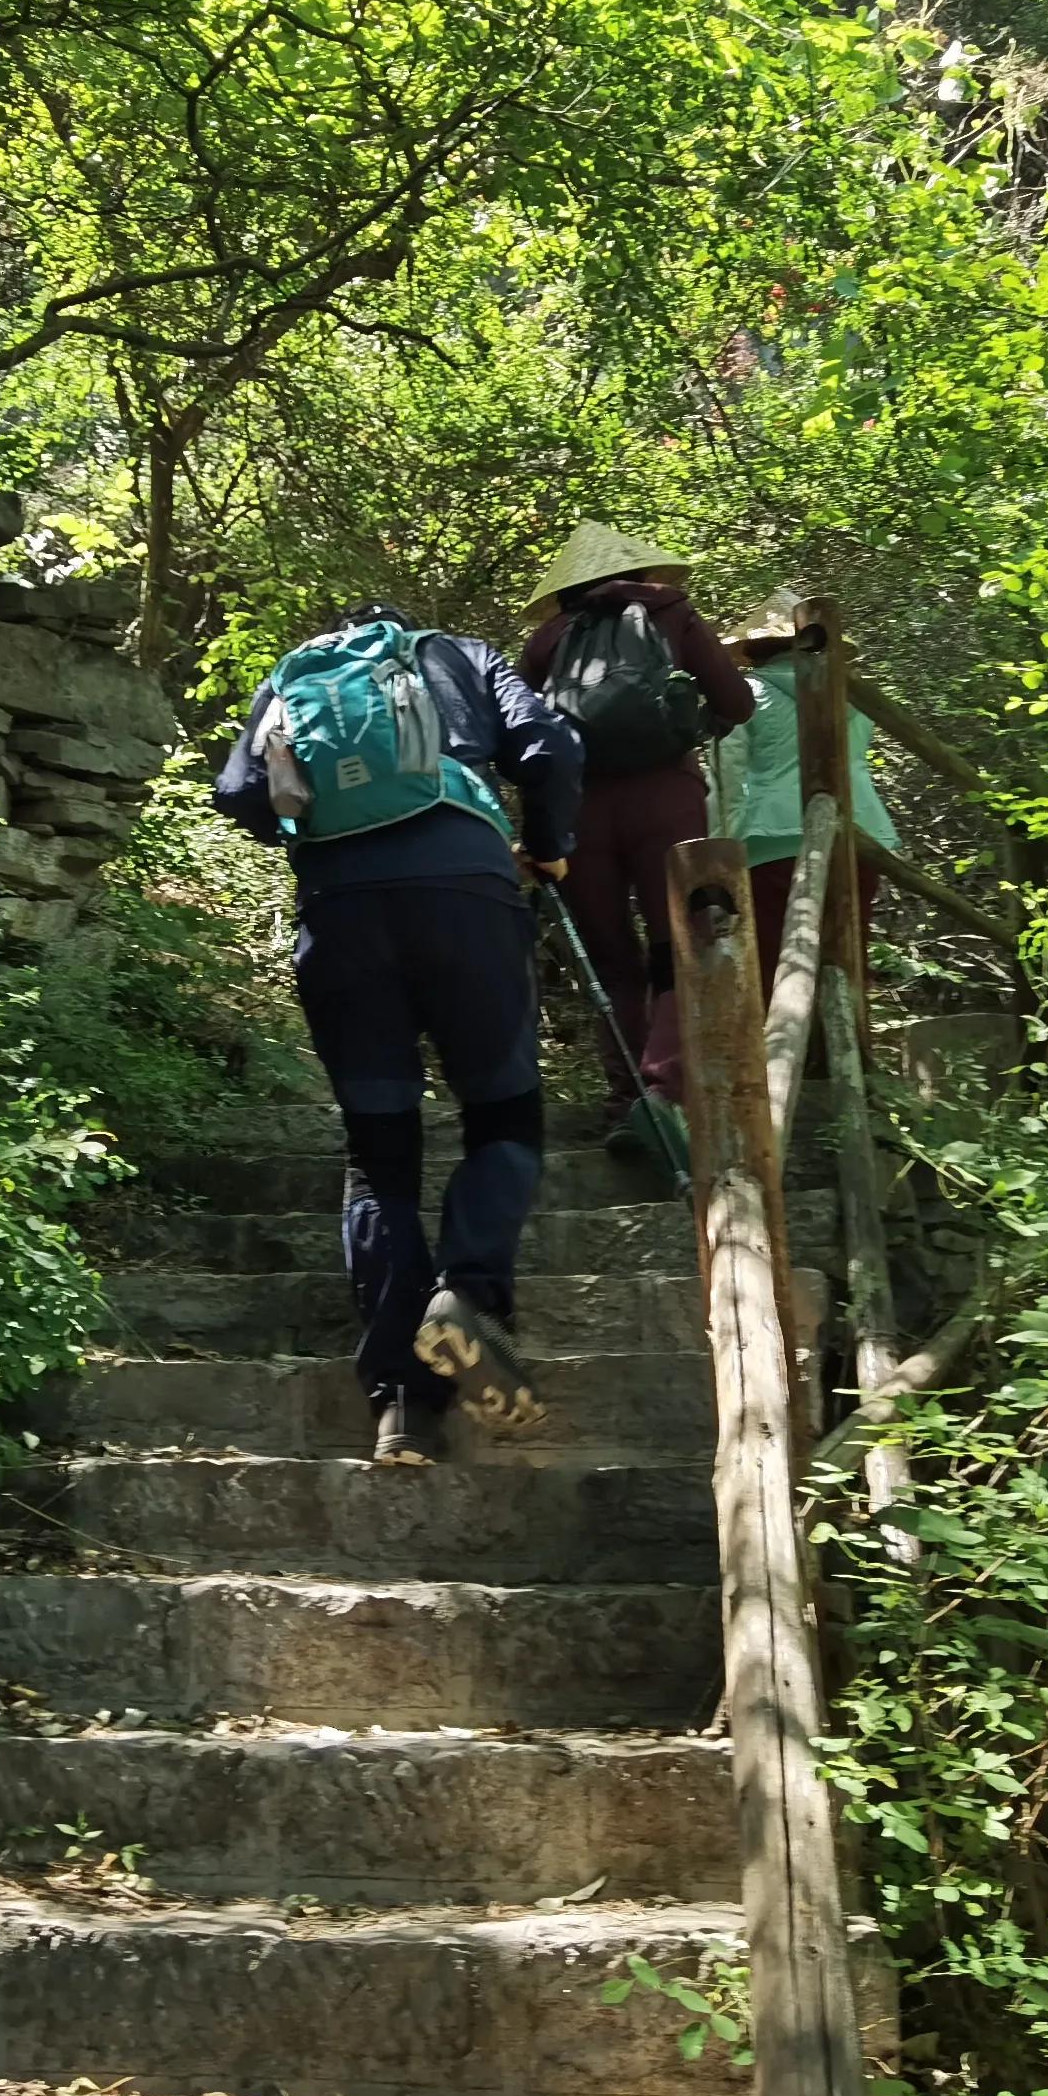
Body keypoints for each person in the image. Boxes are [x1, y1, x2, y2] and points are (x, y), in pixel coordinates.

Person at [213, 601, 585, 1461]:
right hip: (466, 895)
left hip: (340, 912)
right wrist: (549, 843)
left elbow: (237, 792)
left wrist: (314, 826)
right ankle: (468, 1295)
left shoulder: (294, 674)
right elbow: (550, 746)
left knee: (378, 1151)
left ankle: (403, 1406)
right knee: (502, 1112)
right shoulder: (459, 654)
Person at [514, 525, 755, 1134]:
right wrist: (693, 724)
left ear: (566, 586)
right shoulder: (673, 615)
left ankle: (625, 1099)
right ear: (643, 573)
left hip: (579, 811)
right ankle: (666, 1092)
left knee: (611, 959)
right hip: (668, 799)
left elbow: (523, 735)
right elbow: (736, 702)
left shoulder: (549, 638)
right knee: (683, 943)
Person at [711, 596, 902, 976]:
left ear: (755, 650)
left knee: (776, 964)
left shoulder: (744, 695)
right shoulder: (852, 692)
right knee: (849, 955)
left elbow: (726, 780)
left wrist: (720, 855)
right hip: (857, 831)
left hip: (770, 839)